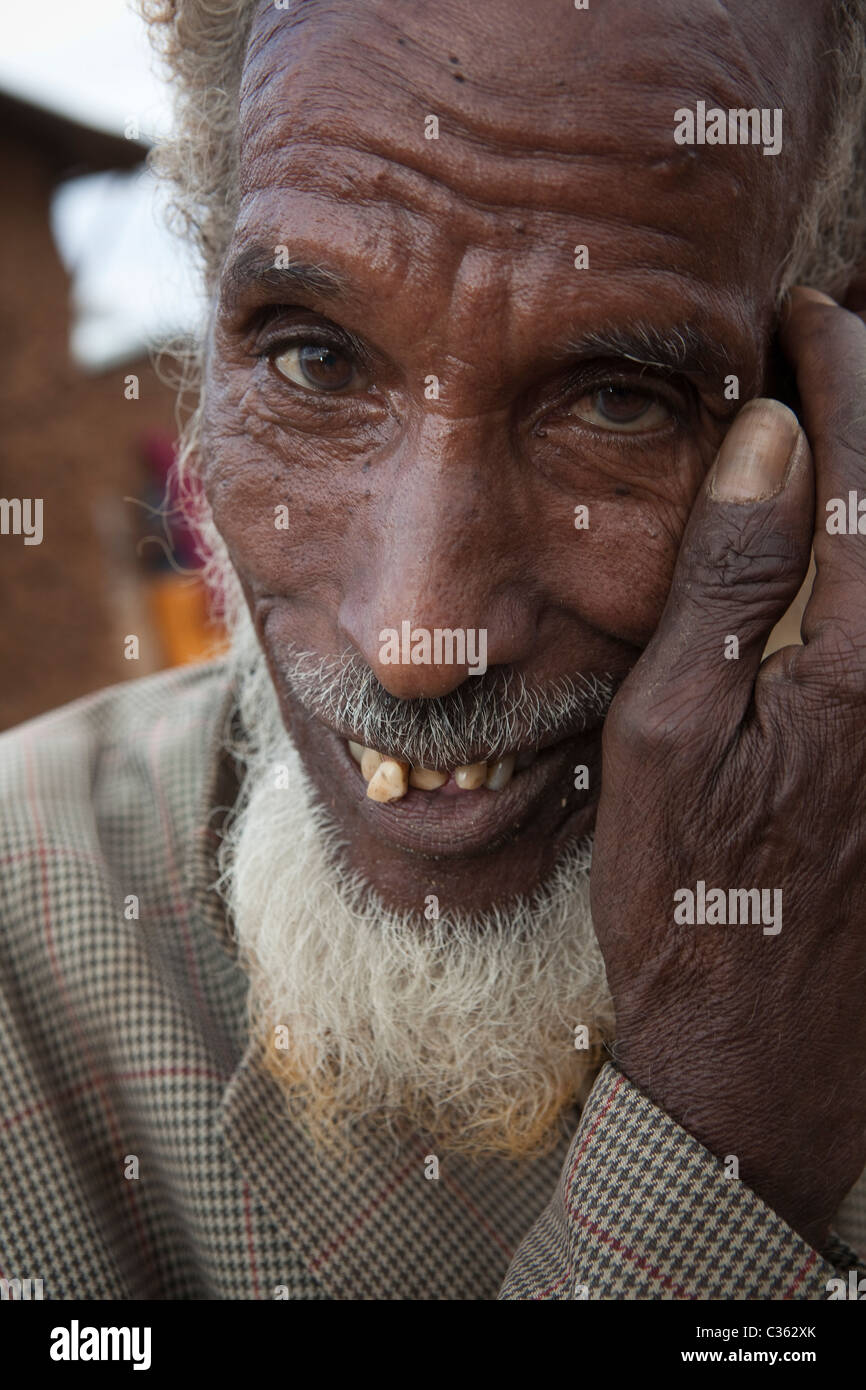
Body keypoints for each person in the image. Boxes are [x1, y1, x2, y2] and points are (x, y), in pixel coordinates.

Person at [1, 0, 865, 1300]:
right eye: (311, 358)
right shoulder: (26, 932)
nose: (412, 640)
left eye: (616, 398)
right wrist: (722, 1143)